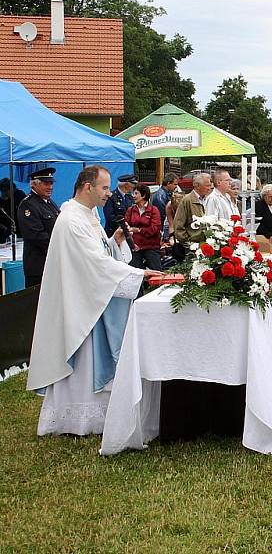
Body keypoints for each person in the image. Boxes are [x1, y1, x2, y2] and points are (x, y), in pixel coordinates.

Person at [26, 165, 162, 436]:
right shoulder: (71, 219)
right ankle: (78, 418)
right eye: (103, 187)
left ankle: (99, 415)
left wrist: (115, 241)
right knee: (84, 359)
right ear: (87, 186)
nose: (108, 193)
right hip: (79, 302)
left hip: (90, 296)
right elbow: (93, 263)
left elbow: (100, 253)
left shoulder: (88, 214)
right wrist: (139, 272)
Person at [15, 168, 60, 287]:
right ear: (35, 185)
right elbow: (35, 235)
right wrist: (59, 246)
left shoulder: (49, 202)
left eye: (51, 183)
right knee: (36, 303)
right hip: (38, 266)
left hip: (51, 262)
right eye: (46, 183)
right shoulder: (28, 205)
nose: (50, 187)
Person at [124, 184, 162, 272]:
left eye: (136, 193)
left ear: (144, 195)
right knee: (135, 274)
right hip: (135, 247)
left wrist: (138, 230)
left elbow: (154, 229)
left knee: (157, 274)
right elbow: (126, 227)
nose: (133, 196)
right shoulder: (130, 210)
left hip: (151, 247)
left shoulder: (154, 210)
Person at [173, 172, 212, 256]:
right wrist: (189, 243)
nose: (210, 188)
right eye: (207, 185)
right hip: (193, 248)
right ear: (197, 186)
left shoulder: (208, 199)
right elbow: (178, 225)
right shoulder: (187, 201)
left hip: (207, 245)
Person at [151, 172, 179, 240]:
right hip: (162, 227)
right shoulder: (160, 196)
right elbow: (163, 215)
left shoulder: (167, 194)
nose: (176, 187)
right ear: (168, 183)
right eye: (175, 184)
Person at [0, 177, 27, 243]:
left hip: (19, 227)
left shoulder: (19, 195)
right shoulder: (1, 200)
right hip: (6, 227)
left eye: (6, 191)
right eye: (2, 191)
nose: (4, 193)